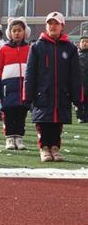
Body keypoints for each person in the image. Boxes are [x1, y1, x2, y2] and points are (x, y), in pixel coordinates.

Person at [24, 11, 82, 162]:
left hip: (62, 93)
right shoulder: (36, 47)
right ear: (46, 26)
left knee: (58, 122)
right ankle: (44, 148)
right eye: (50, 23)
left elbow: (75, 75)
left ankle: (55, 148)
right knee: (43, 122)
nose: (52, 26)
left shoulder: (70, 48)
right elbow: (30, 73)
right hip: (42, 93)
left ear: (62, 26)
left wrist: (77, 96)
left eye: (56, 23)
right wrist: (27, 94)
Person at [0, 17, 31, 150]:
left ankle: (19, 138)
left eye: (19, 30)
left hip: (24, 88)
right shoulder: (3, 49)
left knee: (21, 114)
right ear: (10, 33)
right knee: (8, 114)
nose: (17, 33)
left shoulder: (30, 49)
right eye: (14, 31)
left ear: (24, 32)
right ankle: (9, 138)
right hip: (7, 88)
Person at [76, 35, 88, 123]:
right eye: (83, 42)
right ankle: (80, 116)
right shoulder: (75, 55)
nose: (85, 43)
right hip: (78, 83)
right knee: (78, 101)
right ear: (79, 44)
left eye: (87, 42)